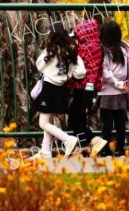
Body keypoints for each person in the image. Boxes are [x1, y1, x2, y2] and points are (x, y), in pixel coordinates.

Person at [31, 24, 87, 160]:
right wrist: (68, 74)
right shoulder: (72, 50)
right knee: (48, 120)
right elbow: (80, 73)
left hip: (49, 88)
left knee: (43, 123)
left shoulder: (51, 50)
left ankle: (68, 139)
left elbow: (39, 65)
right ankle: (45, 151)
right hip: (61, 90)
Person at [67, 0, 109, 157]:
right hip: (90, 88)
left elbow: (77, 68)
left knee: (73, 119)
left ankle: (96, 142)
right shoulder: (99, 46)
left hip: (80, 86)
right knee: (80, 119)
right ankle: (91, 146)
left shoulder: (82, 47)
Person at [97, 21, 129, 157]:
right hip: (121, 91)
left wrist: (116, 83)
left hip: (107, 92)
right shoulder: (126, 49)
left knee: (106, 125)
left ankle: (105, 149)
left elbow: (105, 72)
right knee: (121, 124)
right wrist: (121, 83)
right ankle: (120, 149)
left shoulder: (105, 51)